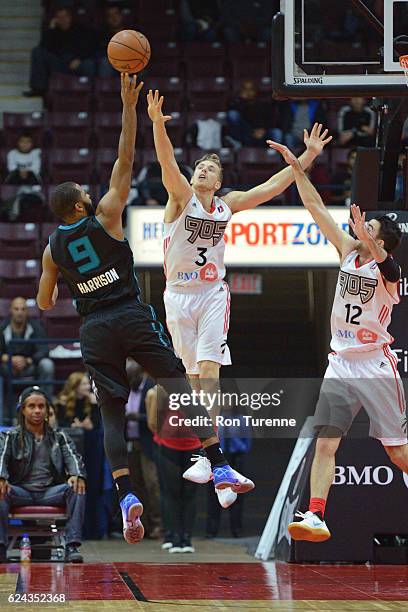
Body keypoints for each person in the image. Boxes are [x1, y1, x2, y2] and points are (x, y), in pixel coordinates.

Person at [36, 74, 253, 546]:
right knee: (181, 382)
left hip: (93, 327)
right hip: (129, 314)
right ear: (80, 204)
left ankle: (125, 494)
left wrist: (73, 279)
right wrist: (128, 107)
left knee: (112, 412)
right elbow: (126, 158)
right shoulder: (109, 214)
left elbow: (45, 302)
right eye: (83, 194)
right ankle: (217, 465)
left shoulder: (53, 248)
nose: (90, 195)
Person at [147, 89, 332, 499]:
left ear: (220, 181)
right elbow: (165, 162)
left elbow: (269, 187)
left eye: (209, 169)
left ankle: (206, 458)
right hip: (176, 296)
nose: (201, 172)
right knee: (194, 380)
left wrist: (307, 158)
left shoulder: (228, 205)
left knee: (210, 372)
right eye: (198, 167)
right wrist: (159, 124)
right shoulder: (180, 200)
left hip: (212, 292)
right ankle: (213, 462)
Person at [269, 140, 407, 542]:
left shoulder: (388, 272)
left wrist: (376, 243)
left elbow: (390, 264)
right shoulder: (348, 251)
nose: (359, 228)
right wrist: (298, 169)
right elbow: (315, 210)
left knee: (397, 453)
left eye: (371, 227)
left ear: (381, 240)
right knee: (325, 443)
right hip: (341, 364)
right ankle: (315, 515)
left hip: (375, 364)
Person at [0, 386, 86, 563]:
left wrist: (76, 474)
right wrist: (1, 477)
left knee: (77, 487)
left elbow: (73, 457)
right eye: (31, 406)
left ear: (47, 410)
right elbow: (1, 457)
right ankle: (1, 547)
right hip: (21, 492)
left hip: (50, 492)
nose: (37, 410)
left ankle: (72, 545)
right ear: (22, 410)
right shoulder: (10, 436)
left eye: (41, 406)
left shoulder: (59, 436)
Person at [26, 6, 98, 97]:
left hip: (79, 62)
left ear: (70, 17)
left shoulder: (81, 29)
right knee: (37, 51)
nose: (62, 20)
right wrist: (51, 29)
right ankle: (39, 89)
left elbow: (91, 47)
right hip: (60, 63)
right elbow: (44, 47)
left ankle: (90, 91)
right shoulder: (54, 32)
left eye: (65, 17)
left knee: (89, 64)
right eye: (59, 17)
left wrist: (79, 59)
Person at [125, 359, 161, 540]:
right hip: (129, 443)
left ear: (140, 374)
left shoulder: (152, 387)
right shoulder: (123, 388)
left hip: (148, 443)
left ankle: (158, 525)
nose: (130, 383)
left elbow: (158, 417)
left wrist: (137, 416)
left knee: (152, 484)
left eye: (132, 379)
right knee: (135, 486)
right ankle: (142, 525)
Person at [0, 297, 55, 394]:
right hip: (7, 367)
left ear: (27, 311)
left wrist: (27, 360)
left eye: (23, 309)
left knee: (47, 365)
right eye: (16, 309)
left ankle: (45, 401)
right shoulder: (2, 327)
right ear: (10, 310)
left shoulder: (36, 327)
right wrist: (9, 359)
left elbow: (44, 350)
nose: (19, 312)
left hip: (29, 365)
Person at [227, 80, 284, 147]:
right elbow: (237, 119)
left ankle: (275, 155)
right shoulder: (238, 103)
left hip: (264, 132)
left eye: (250, 89)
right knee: (232, 114)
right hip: (246, 133)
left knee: (277, 133)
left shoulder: (264, 103)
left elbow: (272, 119)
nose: (248, 92)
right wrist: (242, 100)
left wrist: (264, 130)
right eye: (245, 89)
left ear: (255, 91)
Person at [97, 4, 125, 78]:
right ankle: (105, 88)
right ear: (107, 19)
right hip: (111, 65)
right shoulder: (102, 35)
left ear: (121, 15)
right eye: (110, 15)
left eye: (116, 14)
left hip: (128, 64)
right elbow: (99, 53)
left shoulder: (132, 33)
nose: (114, 18)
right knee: (104, 62)